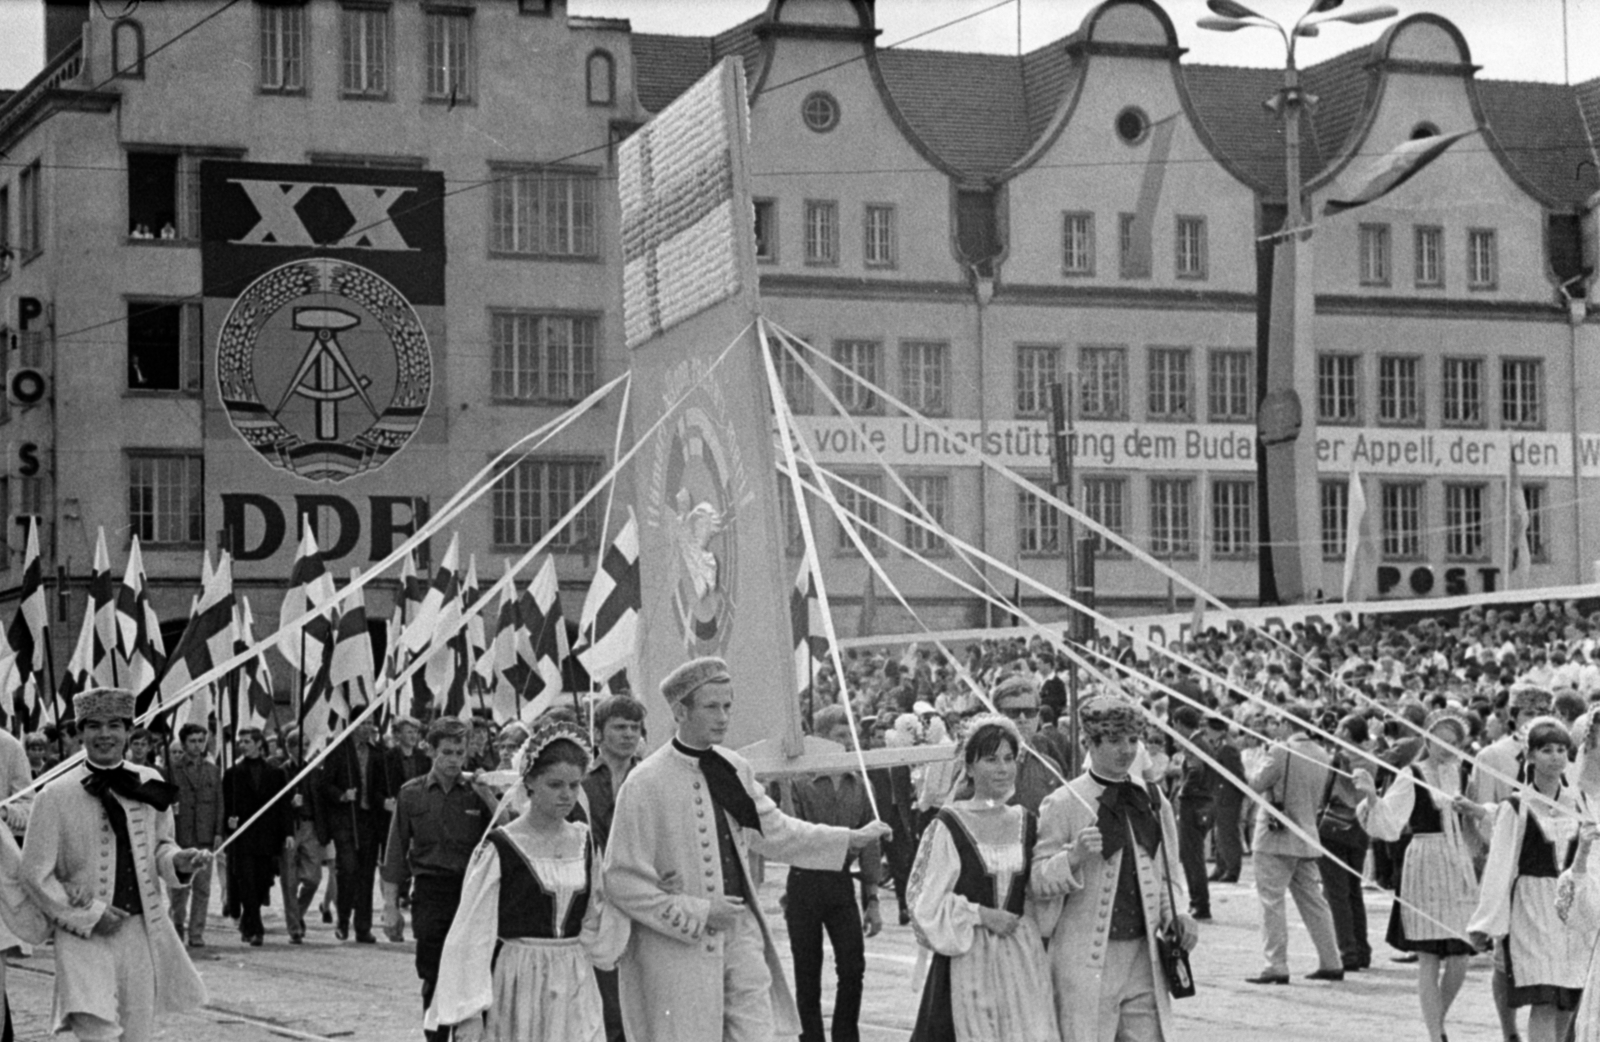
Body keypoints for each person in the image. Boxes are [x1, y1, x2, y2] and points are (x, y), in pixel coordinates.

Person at [603, 656, 890, 1042]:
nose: (723, 717)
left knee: (756, 1033)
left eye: (727, 706)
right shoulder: (644, 783)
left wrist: (845, 839)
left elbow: (775, 831)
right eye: (711, 707)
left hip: (742, 930)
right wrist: (699, 911)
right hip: (677, 947)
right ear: (679, 711)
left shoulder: (735, 767)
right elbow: (620, 880)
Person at [19, 686, 210, 1041]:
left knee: (137, 1034)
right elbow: (34, 875)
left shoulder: (150, 783)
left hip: (141, 931)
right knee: (97, 1032)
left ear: (127, 731)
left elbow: (160, 848)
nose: (104, 734)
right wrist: (88, 914)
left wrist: (178, 861)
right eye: (93, 726)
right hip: (82, 937)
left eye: (114, 726)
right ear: (80, 733)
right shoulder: (55, 794)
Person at [427, 720, 628, 1042]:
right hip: (520, 977)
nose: (567, 795)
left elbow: (597, 918)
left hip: (575, 978)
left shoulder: (584, 841)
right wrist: (468, 1012)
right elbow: (472, 932)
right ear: (530, 782)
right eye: (555, 785)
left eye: (574, 786)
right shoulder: (502, 846)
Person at [1034, 693, 1198, 1042]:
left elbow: (1167, 872)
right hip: (1084, 961)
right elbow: (1037, 881)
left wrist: (1178, 915)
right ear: (1088, 743)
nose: (1126, 750)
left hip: (1145, 958)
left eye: (1132, 740)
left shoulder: (1153, 800)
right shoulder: (1063, 802)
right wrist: (1073, 857)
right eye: (1113, 740)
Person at [909, 714, 1058, 1042]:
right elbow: (926, 901)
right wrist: (981, 914)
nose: (1003, 768)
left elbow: (1038, 889)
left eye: (1008, 759)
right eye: (991, 759)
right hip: (965, 957)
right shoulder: (949, 824)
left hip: (1020, 959)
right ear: (971, 766)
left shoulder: (1025, 822)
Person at [1355, 708, 1482, 1042]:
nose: (1446, 748)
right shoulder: (1412, 774)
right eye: (1440, 741)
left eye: (1453, 742)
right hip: (1425, 861)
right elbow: (1388, 822)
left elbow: (1477, 824)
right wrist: (1371, 796)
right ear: (1427, 738)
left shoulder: (1465, 775)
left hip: (1457, 863)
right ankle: (1436, 1033)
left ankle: (1436, 1019)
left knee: (1459, 953)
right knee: (1428, 954)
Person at [1470, 717, 1594, 1042]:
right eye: (1546, 750)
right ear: (1531, 756)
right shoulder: (1516, 806)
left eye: (1561, 750)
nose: (1555, 757)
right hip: (1531, 907)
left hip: (1572, 907)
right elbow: (1500, 866)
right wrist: (1487, 924)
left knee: (1568, 1000)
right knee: (1545, 997)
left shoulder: (1580, 804)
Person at [382, 717, 496, 1042]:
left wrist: (488, 797)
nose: (453, 760)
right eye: (446, 751)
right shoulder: (412, 794)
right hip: (431, 893)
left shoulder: (477, 792)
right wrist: (390, 908)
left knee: (476, 973)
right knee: (433, 974)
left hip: (472, 894)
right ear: (431, 750)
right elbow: (394, 855)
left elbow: (509, 832)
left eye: (459, 752)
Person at [786, 705, 881, 1042]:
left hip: (841, 883)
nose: (847, 742)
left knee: (853, 967)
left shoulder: (860, 783)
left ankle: (845, 1036)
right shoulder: (799, 782)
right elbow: (791, 835)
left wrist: (873, 899)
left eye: (849, 735)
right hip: (805, 882)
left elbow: (870, 842)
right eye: (840, 736)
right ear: (822, 739)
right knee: (807, 972)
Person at [1472, 683, 1554, 1042]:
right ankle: (1509, 1031)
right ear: (1513, 717)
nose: (1535, 720)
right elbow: (1481, 811)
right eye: (1528, 713)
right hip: (1508, 865)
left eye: (1542, 712)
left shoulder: (1558, 752)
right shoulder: (1492, 756)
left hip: (1552, 867)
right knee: (1505, 960)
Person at [1247, 705, 1344, 984]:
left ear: (1287, 724)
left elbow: (1256, 783)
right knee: (1314, 901)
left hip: (1275, 836)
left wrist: (1257, 759)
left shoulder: (1280, 751)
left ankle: (1276, 964)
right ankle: (1331, 959)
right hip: (1307, 833)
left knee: (1271, 902)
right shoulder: (1322, 752)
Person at [584, 695, 645, 1042]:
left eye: (634, 727)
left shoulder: (650, 777)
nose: (628, 734)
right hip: (599, 898)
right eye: (619, 727)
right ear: (598, 733)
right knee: (607, 998)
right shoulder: (581, 780)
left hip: (646, 893)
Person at [321, 717, 388, 943]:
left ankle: (363, 927)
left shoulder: (377, 753)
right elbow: (325, 784)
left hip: (369, 820)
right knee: (348, 870)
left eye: (370, 722)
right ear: (353, 725)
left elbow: (380, 786)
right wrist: (341, 795)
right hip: (346, 820)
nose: (367, 727)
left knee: (366, 875)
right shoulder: (339, 750)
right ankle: (343, 920)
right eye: (362, 723)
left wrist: (383, 802)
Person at [222, 727, 290, 946]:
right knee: (247, 882)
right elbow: (225, 805)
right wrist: (228, 823)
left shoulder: (276, 773)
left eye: (247, 741)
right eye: (240, 741)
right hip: (243, 838)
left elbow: (282, 806)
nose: (243, 745)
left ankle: (248, 919)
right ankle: (255, 928)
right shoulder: (232, 774)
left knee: (263, 882)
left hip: (267, 837)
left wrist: (287, 832)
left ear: (259, 744)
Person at [1318, 714, 1372, 973]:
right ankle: (1362, 949)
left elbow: (1324, 790)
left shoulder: (1339, 758)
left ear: (1348, 732)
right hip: (1361, 826)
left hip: (1335, 826)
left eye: (1340, 726)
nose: (1336, 730)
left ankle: (1347, 951)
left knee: (1336, 893)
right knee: (1353, 890)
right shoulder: (1372, 757)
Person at [163, 722, 224, 948]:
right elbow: (163, 805)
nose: (198, 746)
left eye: (201, 740)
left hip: (205, 836)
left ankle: (197, 932)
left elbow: (219, 803)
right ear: (184, 742)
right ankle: (177, 925)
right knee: (180, 888)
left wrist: (218, 832)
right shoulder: (172, 770)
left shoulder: (213, 771)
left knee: (203, 888)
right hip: (181, 837)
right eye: (193, 741)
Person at [1167, 705, 1216, 921]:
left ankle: (1199, 904)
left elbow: (1196, 770)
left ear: (1179, 723)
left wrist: (1183, 792)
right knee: (1193, 856)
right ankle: (1199, 902)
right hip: (1202, 803)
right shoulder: (1202, 742)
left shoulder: (1194, 744)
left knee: (1192, 857)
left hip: (1193, 804)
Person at [276, 729, 324, 946]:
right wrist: (289, 801)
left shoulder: (312, 770)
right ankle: (294, 928)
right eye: (299, 745)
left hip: (310, 826)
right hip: (289, 827)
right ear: (290, 747)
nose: (303, 749)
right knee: (289, 880)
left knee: (313, 878)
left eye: (306, 745)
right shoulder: (281, 771)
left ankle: (298, 913)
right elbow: (273, 803)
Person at [992, 675, 1064, 814]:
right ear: (997, 715)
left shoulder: (1050, 768)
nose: (1022, 719)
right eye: (1013, 712)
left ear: (1038, 716)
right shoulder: (979, 764)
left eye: (1030, 712)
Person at [1205, 717, 1245, 883]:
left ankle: (1232, 868)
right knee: (1219, 833)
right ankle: (1221, 867)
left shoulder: (1228, 748)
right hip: (1220, 794)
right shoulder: (1221, 745)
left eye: (1207, 728)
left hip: (1228, 795)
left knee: (1228, 833)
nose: (1205, 732)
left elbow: (1237, 775)